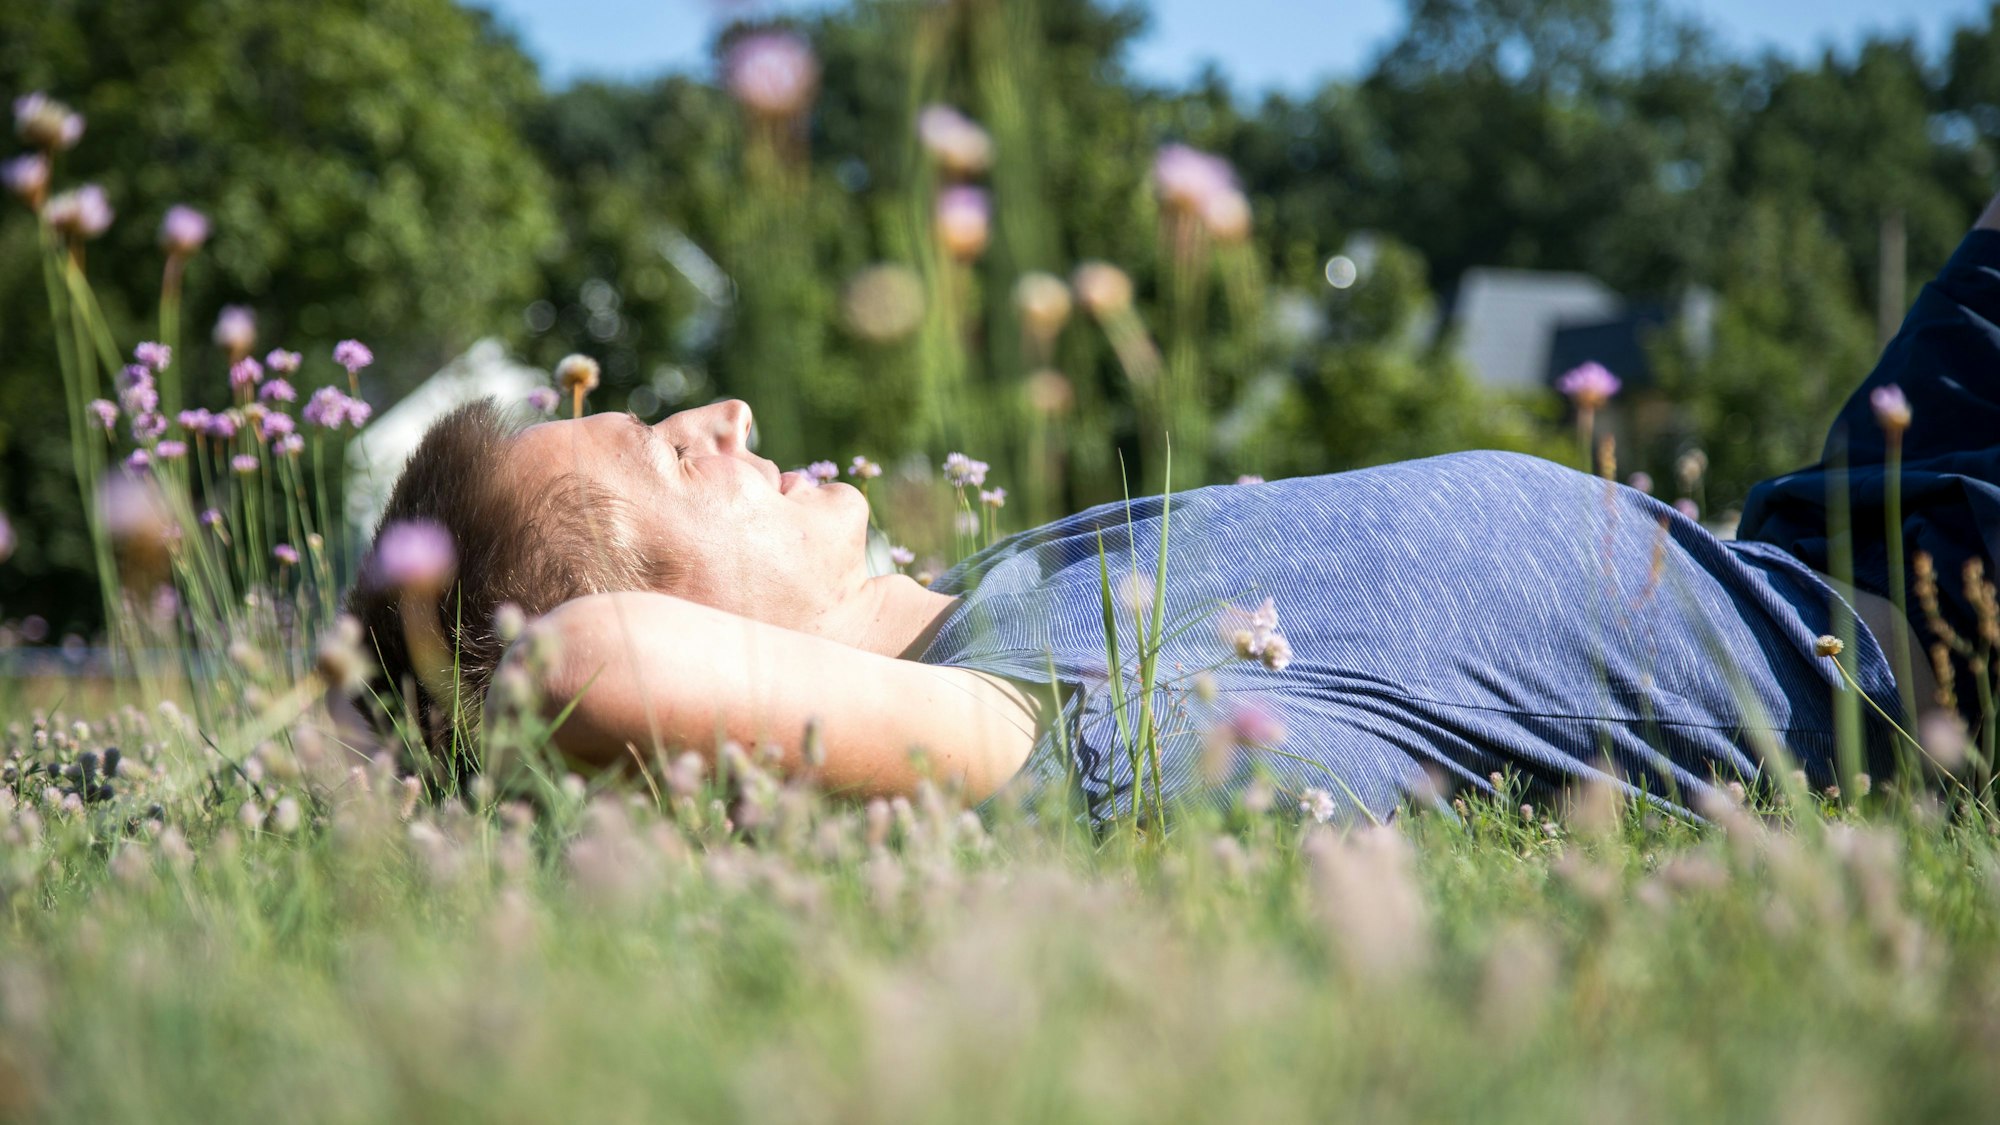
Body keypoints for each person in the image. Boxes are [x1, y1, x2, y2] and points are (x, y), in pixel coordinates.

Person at [346, 196, 2000, 825]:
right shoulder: (1034, 724)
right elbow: (578, 672)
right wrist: (428, 687)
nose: (728, 416)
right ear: (688, 635)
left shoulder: (1008, 593)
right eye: (663, 458)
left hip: (1821, 539)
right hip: (1918, 663)